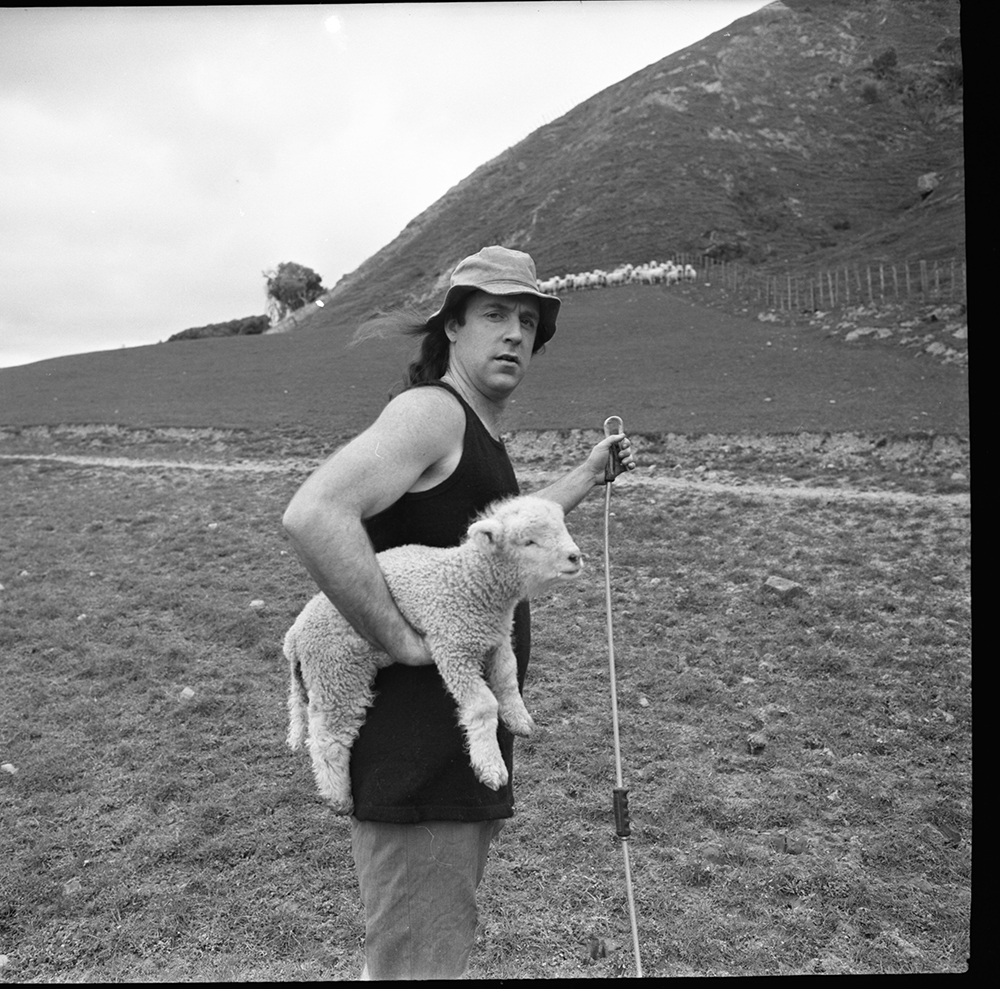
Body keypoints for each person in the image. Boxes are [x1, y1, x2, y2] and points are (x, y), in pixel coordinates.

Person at [282, 245, 636, 980]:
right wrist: (399, 639)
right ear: (452, 327)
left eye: (528, 320)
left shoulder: (475, 432)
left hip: (450, 755)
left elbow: (513, 529)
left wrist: (586, 475)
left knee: (429, 949)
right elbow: (315, 513)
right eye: (495, 315)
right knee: (418, 964)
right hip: (416, 758)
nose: (514, 333)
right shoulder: (430, 414)